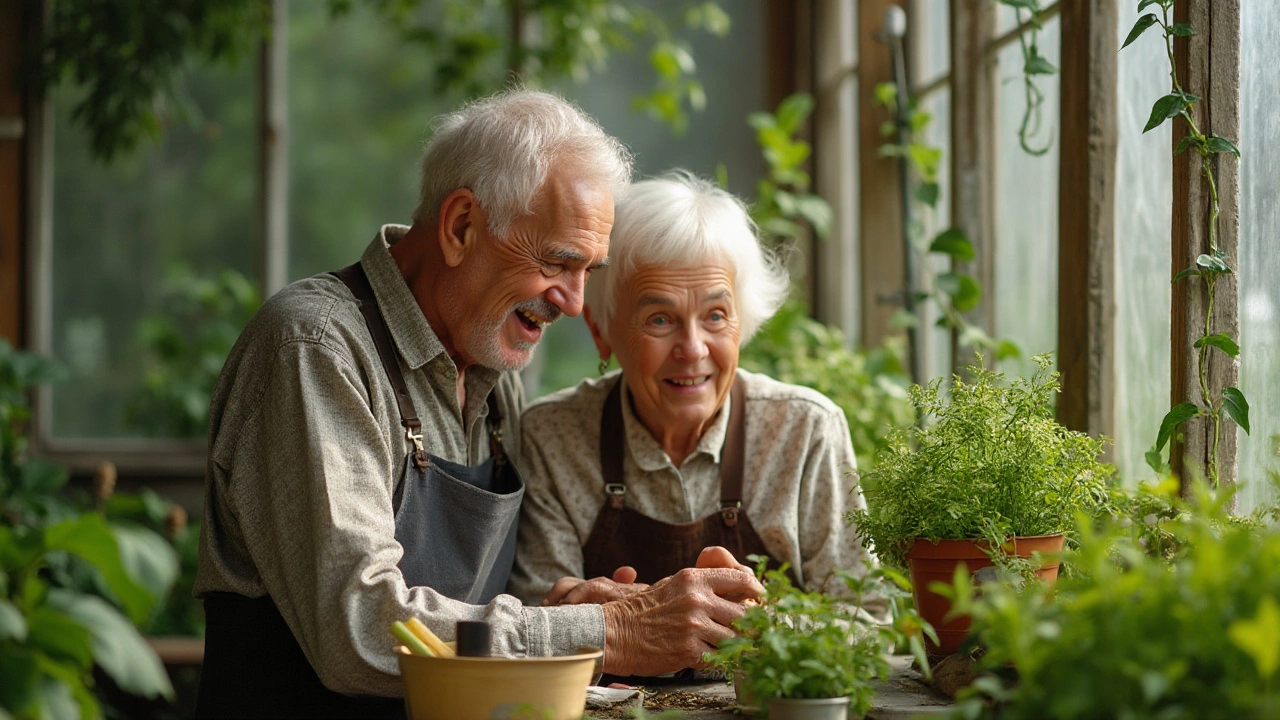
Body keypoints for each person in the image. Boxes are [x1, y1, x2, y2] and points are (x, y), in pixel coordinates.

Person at [193, 92, 762, 719]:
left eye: (588, 271)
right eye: (557, 262)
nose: (575, 303)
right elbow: (358, 630)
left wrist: (566, 611)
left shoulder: (492, 369)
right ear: (461, 226)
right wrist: (608, 632)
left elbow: (475, 620)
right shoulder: (313, 349)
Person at [508, 172, 876, 608]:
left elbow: (867, 619)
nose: (693, 348)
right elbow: (539, 621)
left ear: (744, 322)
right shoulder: (554, 437)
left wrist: (764, 629)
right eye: (660, 319)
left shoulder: (804, 432)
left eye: (716, 315)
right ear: (600, 330)